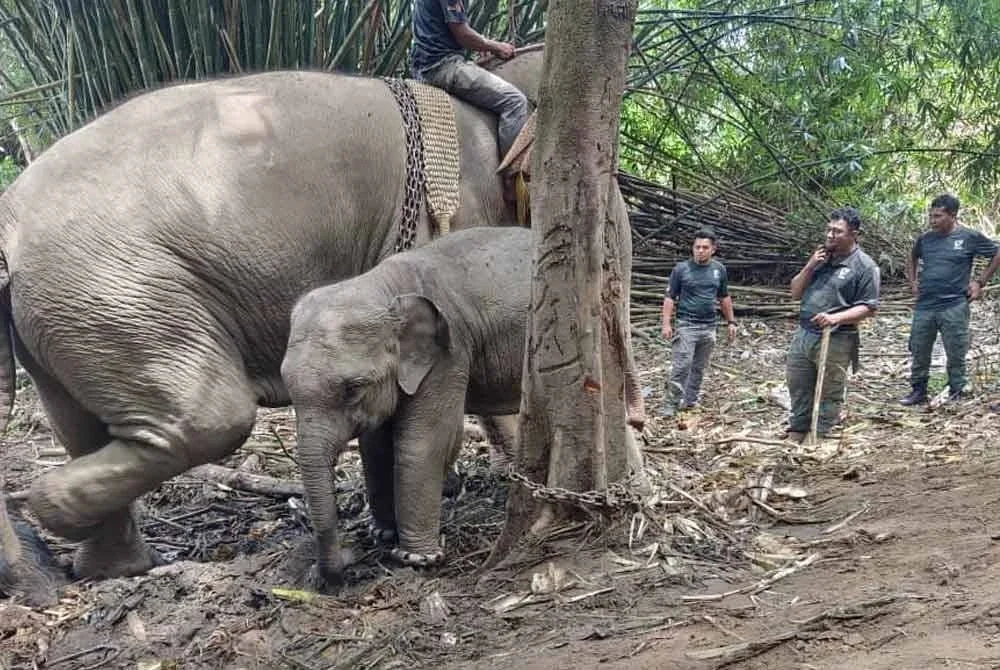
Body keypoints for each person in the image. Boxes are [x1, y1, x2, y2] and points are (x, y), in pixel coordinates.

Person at [785, 207, 880, 443]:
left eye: (837, 231)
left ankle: (820, 432)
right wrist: (809, 266)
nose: (830, 235)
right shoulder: (820, 259)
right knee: (798, 382)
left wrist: (836, 318)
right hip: (805, 332)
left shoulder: (865, 266)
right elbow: (795, 293)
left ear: (854, 234)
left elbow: (869, 307)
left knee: (830, 388)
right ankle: (798, 427)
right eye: (828, 230)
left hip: (836, 337)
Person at [899, 194, 1000, 405]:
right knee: (919, 348)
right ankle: (918, 390)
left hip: (954, 304)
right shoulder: (926, 239)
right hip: (925, 304)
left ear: (953, 216)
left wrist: (979, 282)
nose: (932, 220)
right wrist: (913, 281)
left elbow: (996, 253)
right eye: (931, 216)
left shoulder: (968, 237)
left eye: (938, 216)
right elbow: (912, 255)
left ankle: (956, 388)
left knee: (956, 350)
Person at [410, 0, 529, 159]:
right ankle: (512, 171)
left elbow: (447, 30)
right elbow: (462, 34)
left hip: (423, 65)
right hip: (442, 66)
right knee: (515, 102)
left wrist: (482, 45)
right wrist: (495, 46)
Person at [660, 230, 737, 417]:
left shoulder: (719, 270)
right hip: (687, 324)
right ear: (692, 248)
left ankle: (690, 400)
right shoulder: (681, 269)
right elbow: (670, 297)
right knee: (682, 365)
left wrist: (731, 322)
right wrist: (666, 324)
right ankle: (670, 404)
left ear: (713, 249)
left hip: (709, 326)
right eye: (697, 247)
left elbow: (724, 297)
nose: (700, 251)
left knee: (699, 367)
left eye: (705, 247)